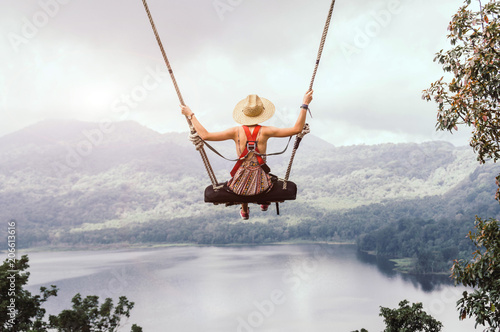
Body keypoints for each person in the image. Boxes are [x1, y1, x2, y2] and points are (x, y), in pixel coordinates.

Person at [180, 90, 313, 220]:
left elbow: (205, 135)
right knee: (267, 176)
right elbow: (297, 129)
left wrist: (190, 115)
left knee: (241, 176)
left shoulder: (235, 131)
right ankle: (264, 202)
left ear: (244, 113)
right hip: (262, 186)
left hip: (238, 187)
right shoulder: (266, 131)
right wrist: (305, 104)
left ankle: (244, 210)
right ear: (262, 113)